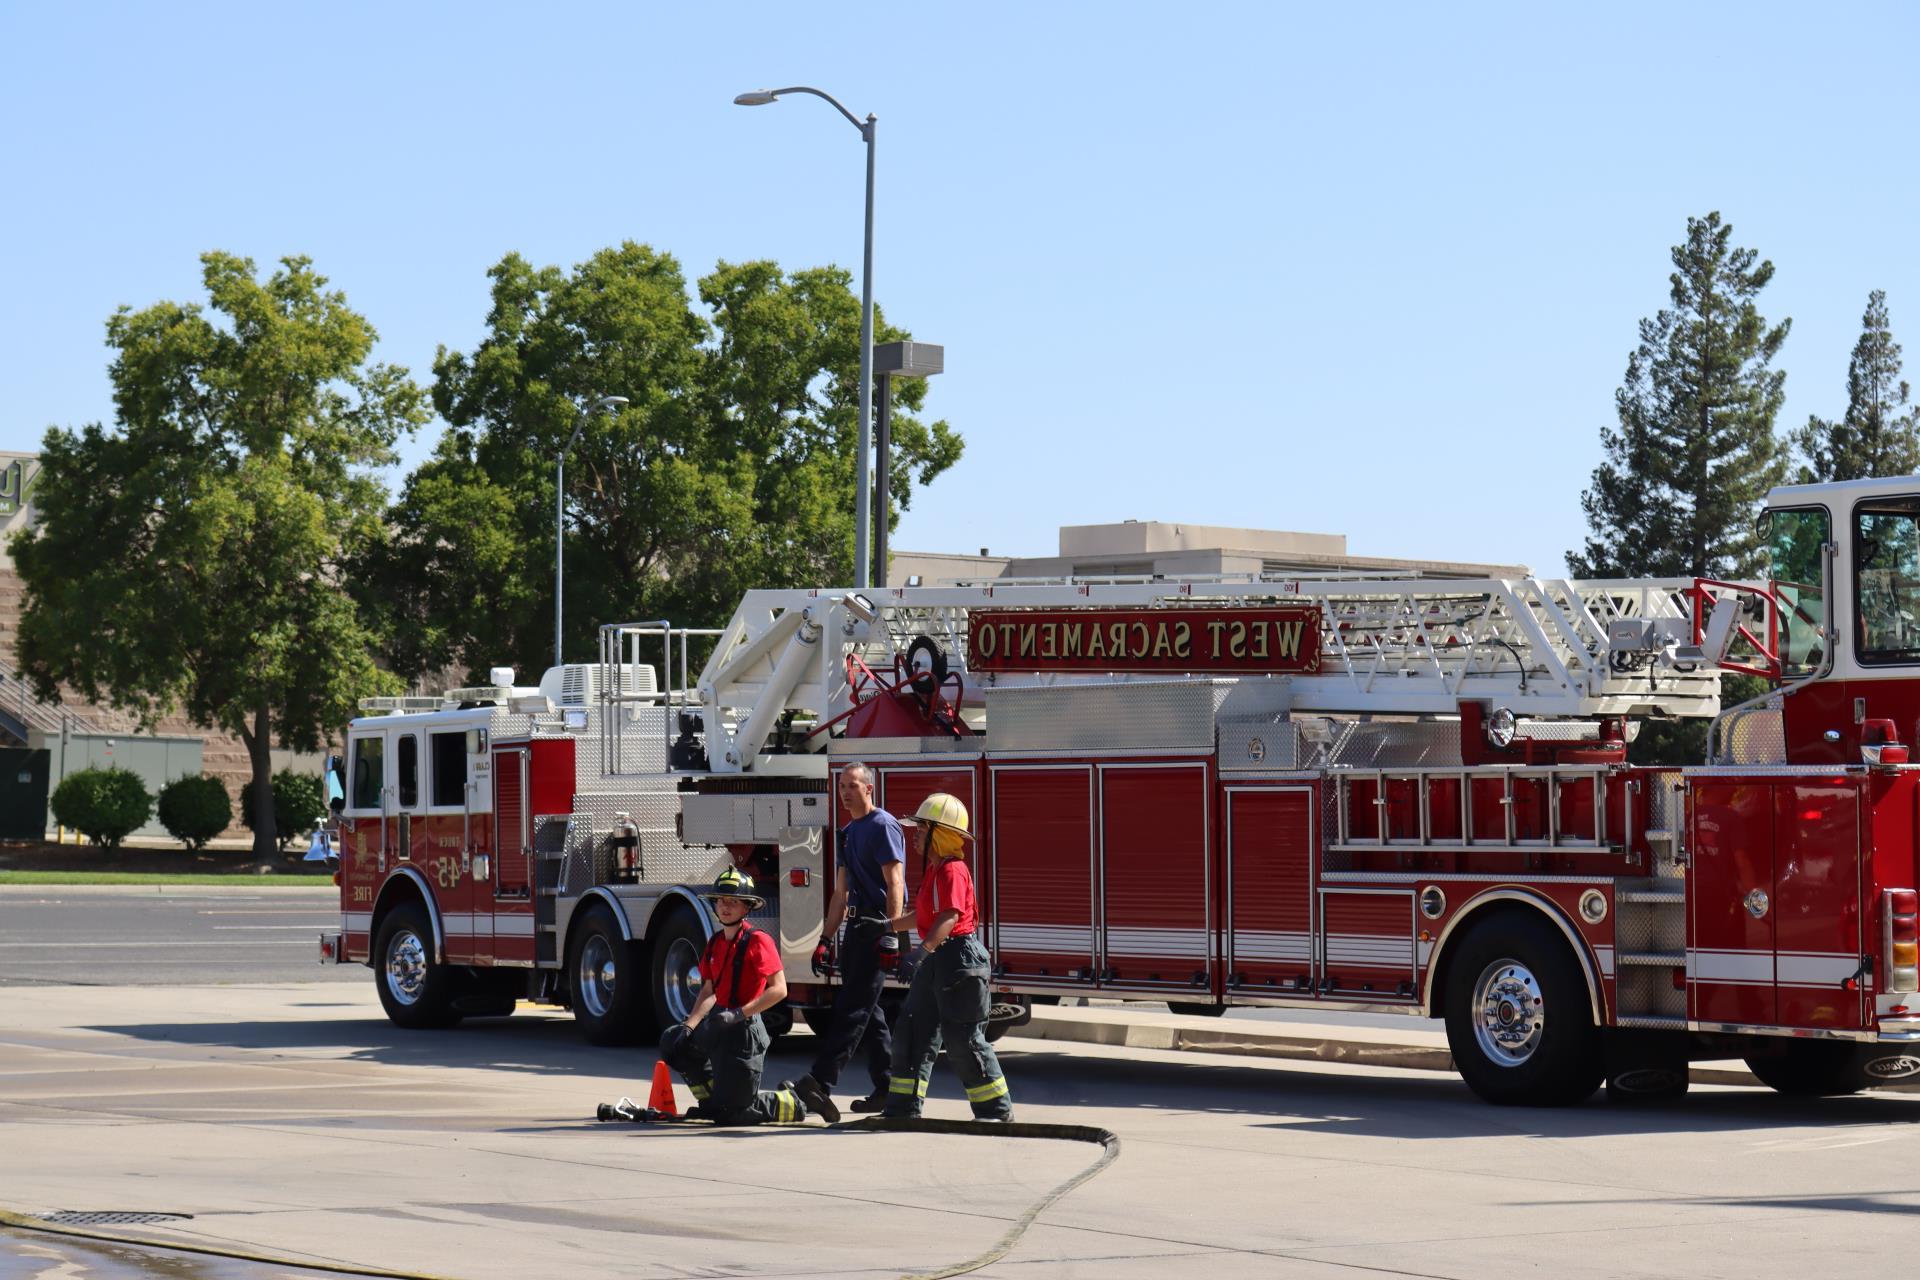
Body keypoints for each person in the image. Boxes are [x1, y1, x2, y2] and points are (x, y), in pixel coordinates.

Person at [881, 793, 1012, 1122]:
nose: (916, 834)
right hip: (939, 956)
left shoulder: (952, 870)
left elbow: (950, 917)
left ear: (939, 833)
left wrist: (920, 952)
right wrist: (886, 925)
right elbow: (925, 916)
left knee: (962, 1039)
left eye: (922, 829)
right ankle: (902, 1109)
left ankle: (995, 1112)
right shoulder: (935, 869)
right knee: (913, 1031)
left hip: (958, 958)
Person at [790, 764, 905, 1123]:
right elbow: (840, 892)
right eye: (842, 786)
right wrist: (825, 938)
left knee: (853, 1008)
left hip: (875, 928)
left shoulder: (882, 826)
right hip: (855, 929)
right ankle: (887, 1088)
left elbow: (896, 881)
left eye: (853, 786)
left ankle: (820, 1082)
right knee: (870, 1013)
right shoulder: (848, 832)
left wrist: (891, 932)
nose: (845, 792)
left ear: (869, 789)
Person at [658, 868, 814, 1126]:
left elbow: (779, 989)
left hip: (744, 1031)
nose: (725, 907)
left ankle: (798, 1099)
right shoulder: (715, 942)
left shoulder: (758, 941)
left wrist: (739, 1014)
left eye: (733, 902)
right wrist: (688, 1027)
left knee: (736, 1116)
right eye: (720, 900)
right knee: (673, 1044)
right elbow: (708, 991)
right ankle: (713, 1103)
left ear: (747, 908)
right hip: (718, 1024)